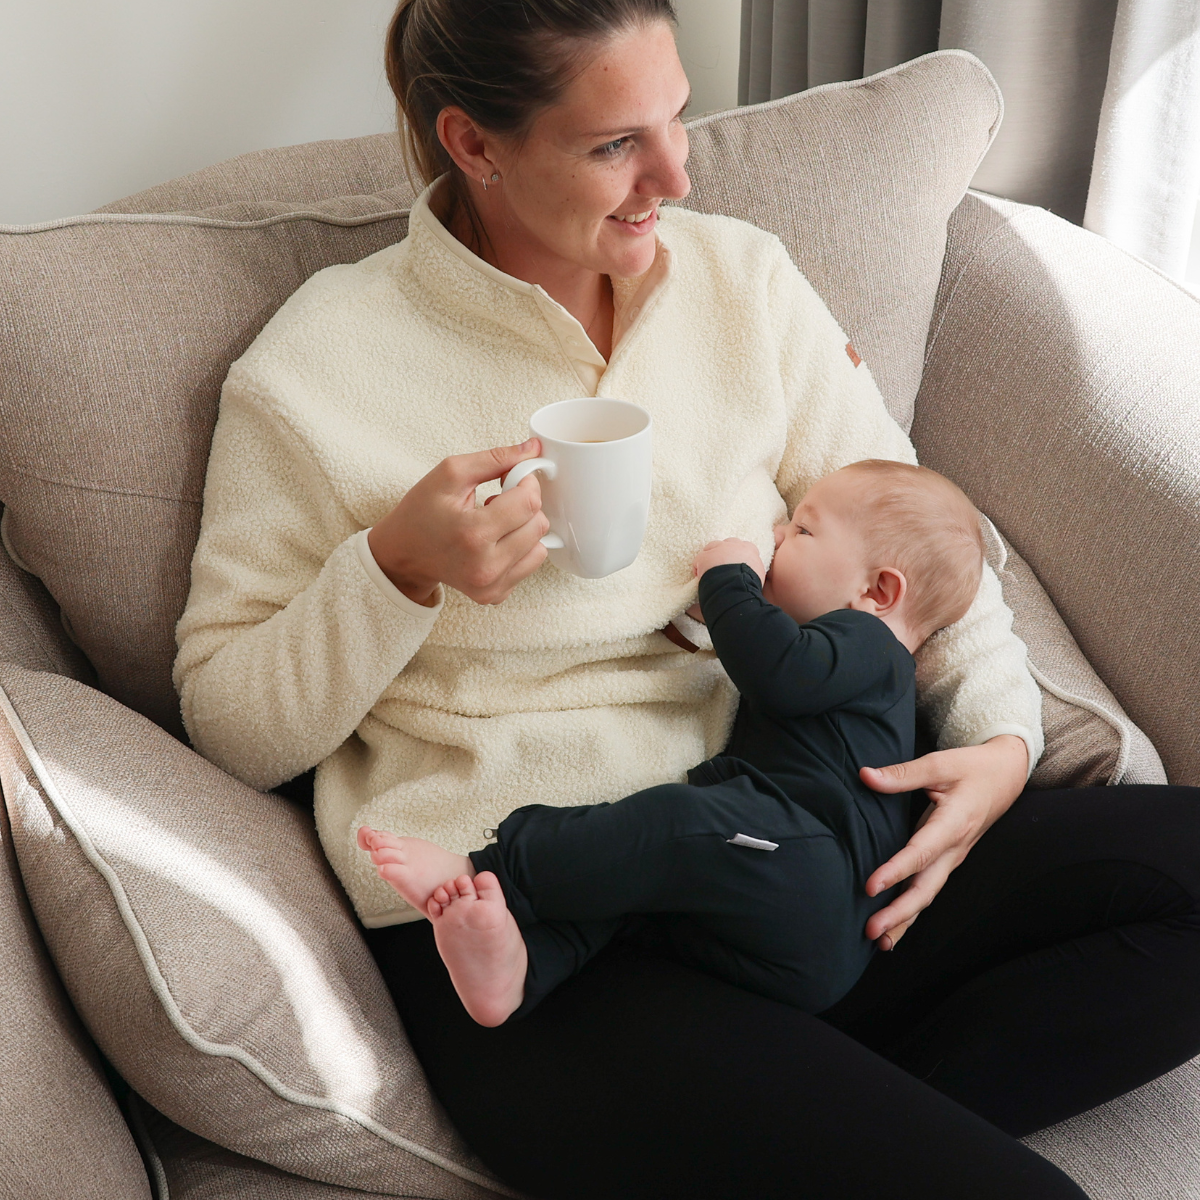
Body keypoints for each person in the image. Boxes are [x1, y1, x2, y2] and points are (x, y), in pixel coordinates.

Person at [173, 1, 1200, 1197]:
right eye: (617, 144)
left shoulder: (740, 281)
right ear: (474, 143)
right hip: (555, 928)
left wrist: (1001, 745)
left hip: (804, 849)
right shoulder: (316, 371)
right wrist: (394, 570)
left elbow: (913, 529)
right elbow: (230, 722)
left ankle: (811, 1117)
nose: (677, 175)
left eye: (677, 120)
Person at [357, 459, 984, 1027]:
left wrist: (730, 580)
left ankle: (488, 871)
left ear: (877, 593)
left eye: (802, 530)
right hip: (802, 931)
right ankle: (522, 969)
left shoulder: (873, 647)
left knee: (673, 824)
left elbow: (777, 670)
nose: (777, 535)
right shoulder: (850, 663)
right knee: (632, 892)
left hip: (815, 874)